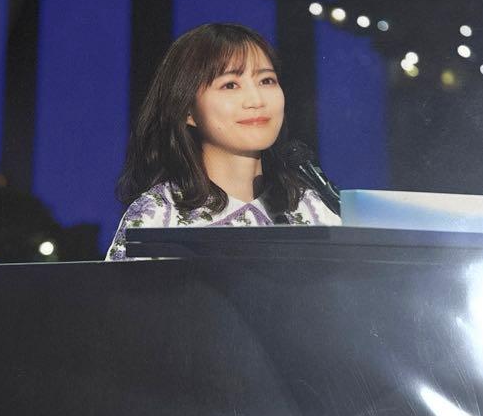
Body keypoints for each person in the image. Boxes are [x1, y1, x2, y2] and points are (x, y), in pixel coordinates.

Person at [106, 22, 341, 260]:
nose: (256, 100)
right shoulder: (159, 214)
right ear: (188, 110)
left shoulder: (311, 208)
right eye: (230, 85)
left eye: (266, 81)